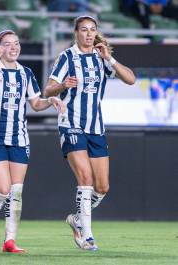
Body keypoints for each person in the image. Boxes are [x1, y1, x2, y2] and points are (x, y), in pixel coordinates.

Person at [44, 15, 136, 251]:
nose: (88, 34)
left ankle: (77, 219)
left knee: (102, 187)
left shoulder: (100, 57)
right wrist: (63, 85)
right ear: (76, 33)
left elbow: (131, 79)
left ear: (96, 33)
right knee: (85, 179)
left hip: (96, 127)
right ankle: (87, 235)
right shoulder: (67, 57)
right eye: (83, 30)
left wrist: (110, 58)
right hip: (71, 123)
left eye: (92, 30)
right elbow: (47, 90)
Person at [0, 30, 65, 253]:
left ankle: (10, 240)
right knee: (2, 188)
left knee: (15, 191)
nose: (13, 47)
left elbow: (35, 103)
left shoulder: (25, 73)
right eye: (7, 44)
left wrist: (50, 100)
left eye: (16, 43)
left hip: (18, 138)